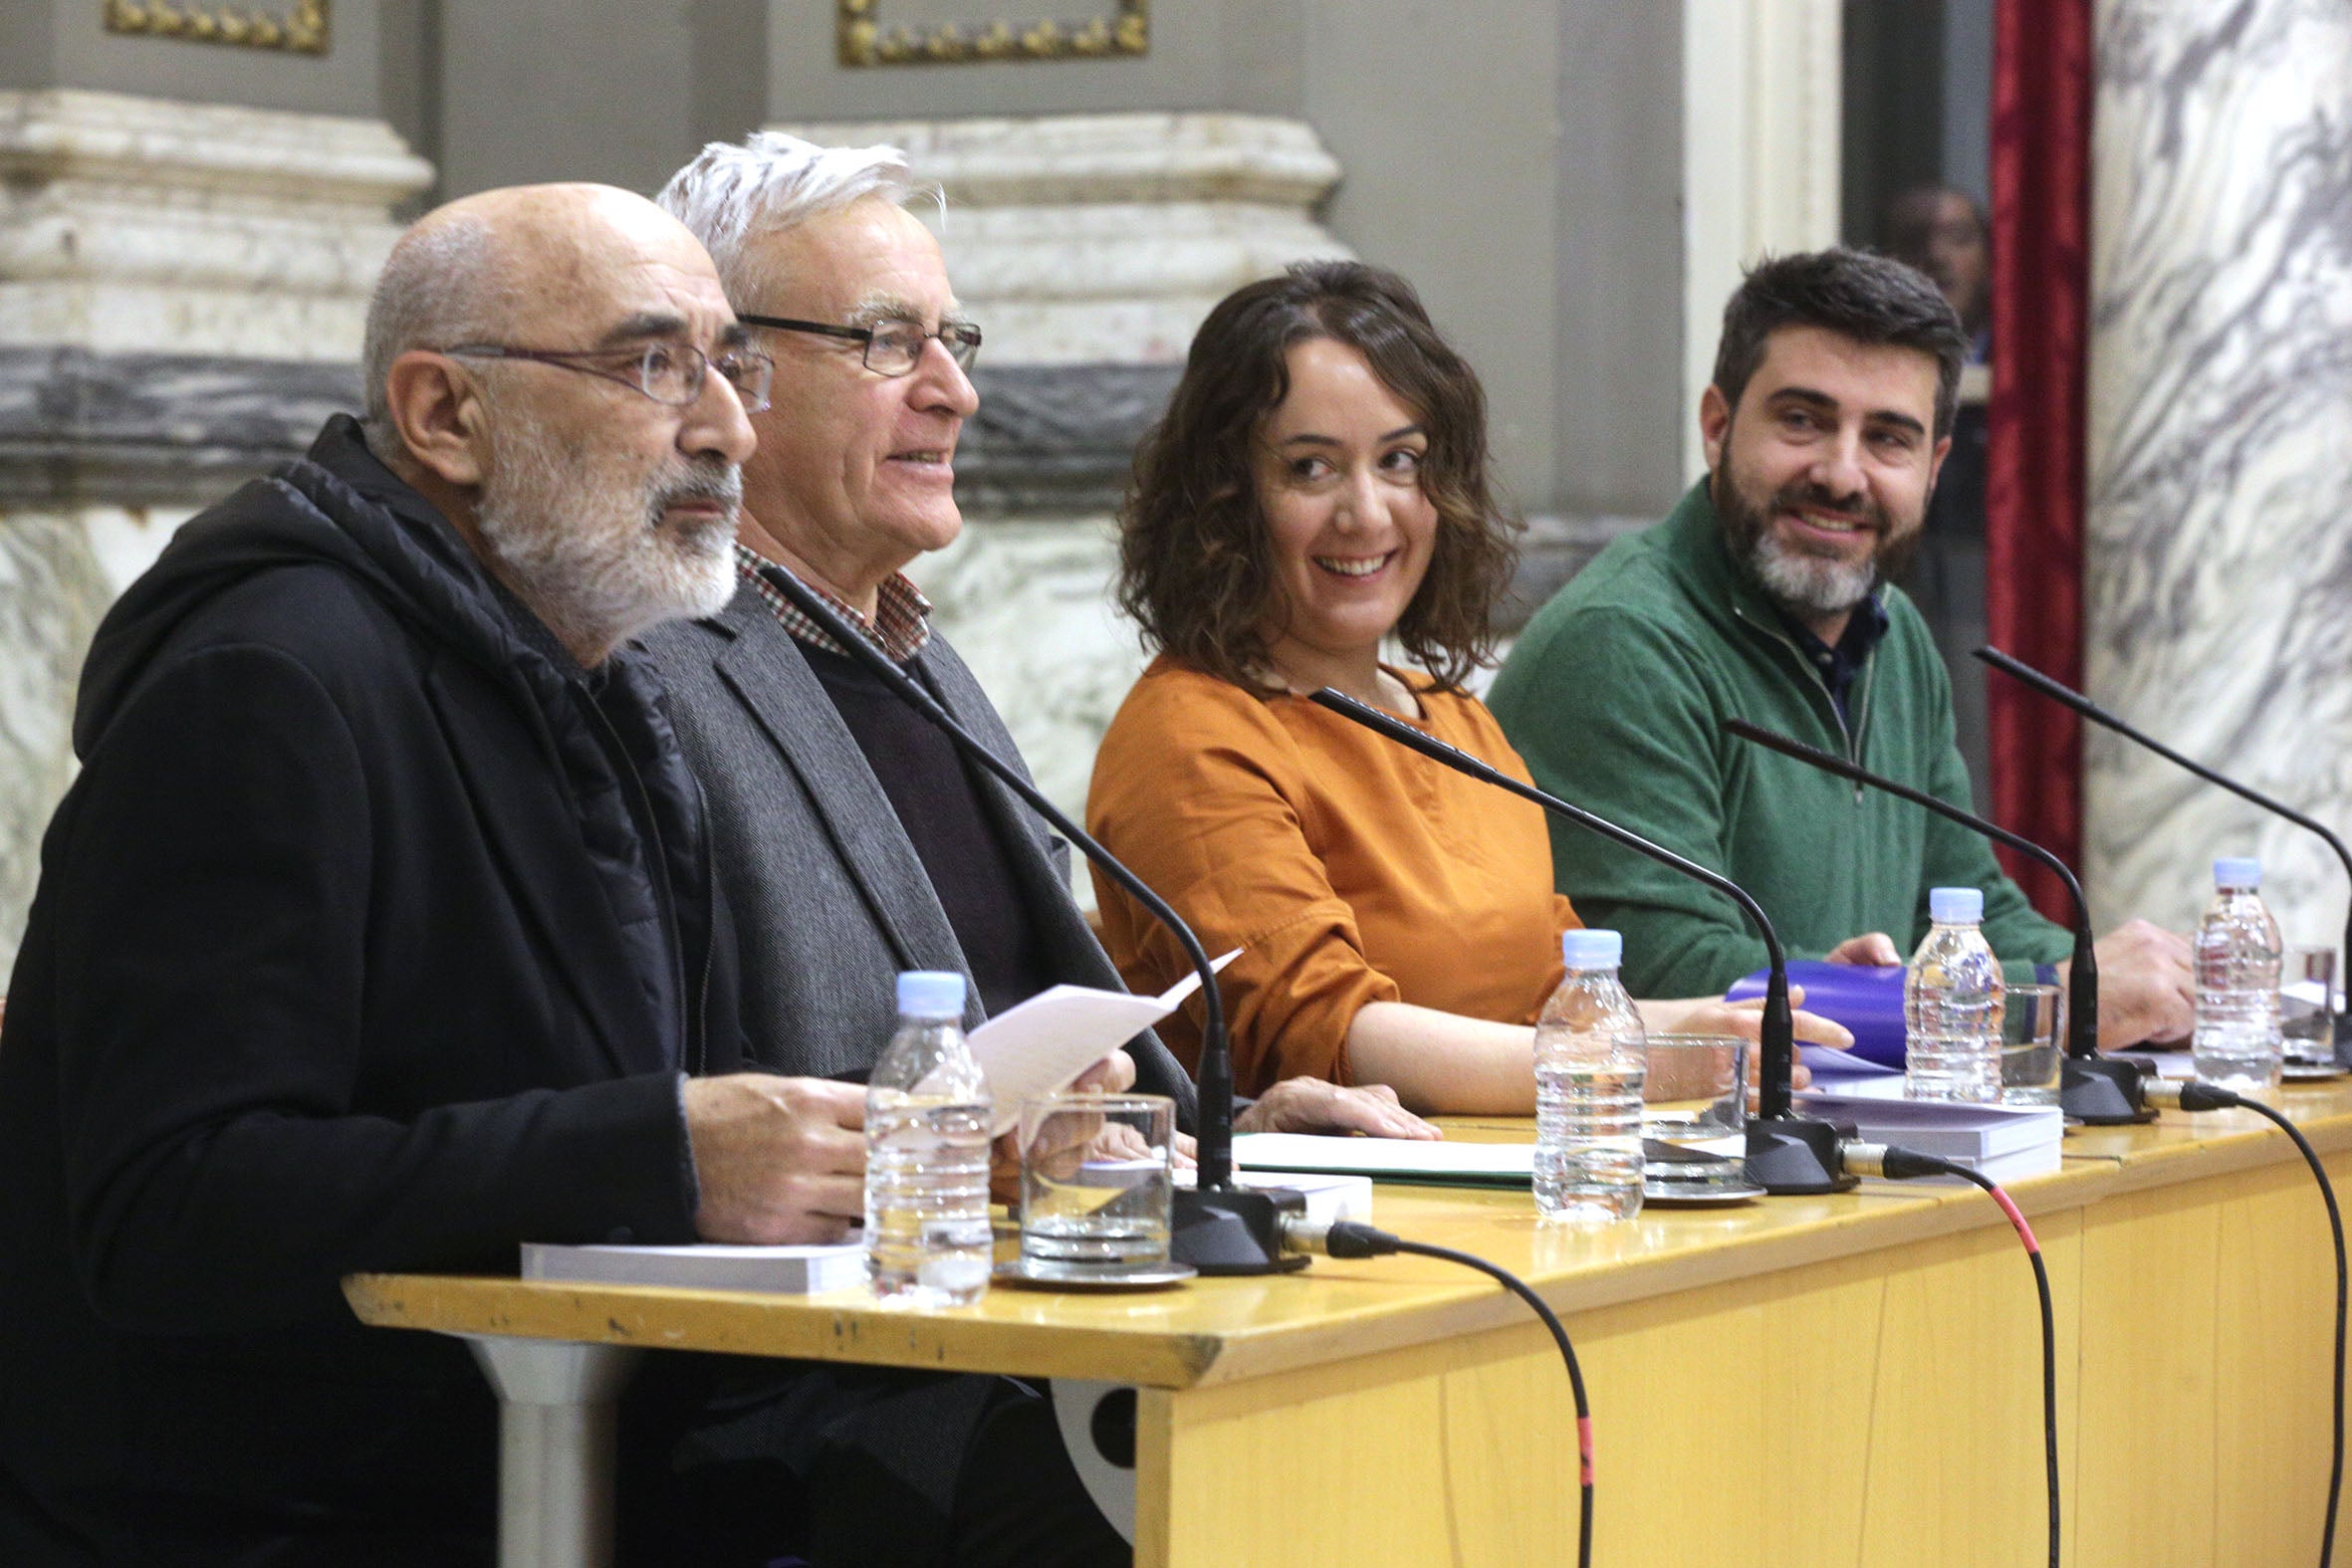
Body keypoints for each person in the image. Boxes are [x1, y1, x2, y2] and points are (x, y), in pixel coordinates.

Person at [0, 183, 894, 1563]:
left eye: (734, 365)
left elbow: (624, 1081)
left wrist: (912, 1140)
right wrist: (658, 1154)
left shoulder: (594, 676)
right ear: (441, 415)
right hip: (299, 1516)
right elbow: (167, 1203)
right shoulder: (269, 684)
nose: (726, 426)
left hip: (587, 1460)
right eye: (656, 365)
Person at [643, 133, 1432, 1143]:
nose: (953, 391)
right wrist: (989, 1148)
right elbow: (712, 1105)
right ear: (729, 371)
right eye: (887, 342)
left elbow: (1048, 1058)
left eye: (950, 341)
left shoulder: (921, 661)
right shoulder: (648, 673)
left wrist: (1239, 1134)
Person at [1084, 261, 1849, 1113]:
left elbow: (1556, 1002)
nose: (1367, 514)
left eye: (1401, 461)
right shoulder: (1191, 735)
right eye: (1310, 469)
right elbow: (1334, 1034)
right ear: (1224, 503)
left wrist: (1729, 1021)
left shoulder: (1454, 719)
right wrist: (1657, 1065)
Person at [1489, 247, 2194, 1047]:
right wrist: (2054, 1003)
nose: (1841, 473)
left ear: (1933, 470)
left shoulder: (1895, 635)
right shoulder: (1620, 643)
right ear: (1717, 426)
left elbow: (1966, 909)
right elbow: (1668, 973)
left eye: (1888, 438)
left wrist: (2129, 987)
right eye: (1802, 420)